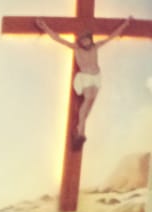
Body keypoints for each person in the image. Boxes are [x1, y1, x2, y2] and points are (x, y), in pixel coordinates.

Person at [36, 16, 133, 145]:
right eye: (83, 40)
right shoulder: (76, 48)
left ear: (90, 39)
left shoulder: (95, 46)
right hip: (86, 77)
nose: (86, 42)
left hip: (97, 77)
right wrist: (45, 27)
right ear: (80, 41)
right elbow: (58, 39)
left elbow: (112, 36)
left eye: (87, 39)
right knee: (87, 100)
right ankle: (80, 132)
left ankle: (79, 130)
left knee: (90, 105)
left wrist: (125, 24)